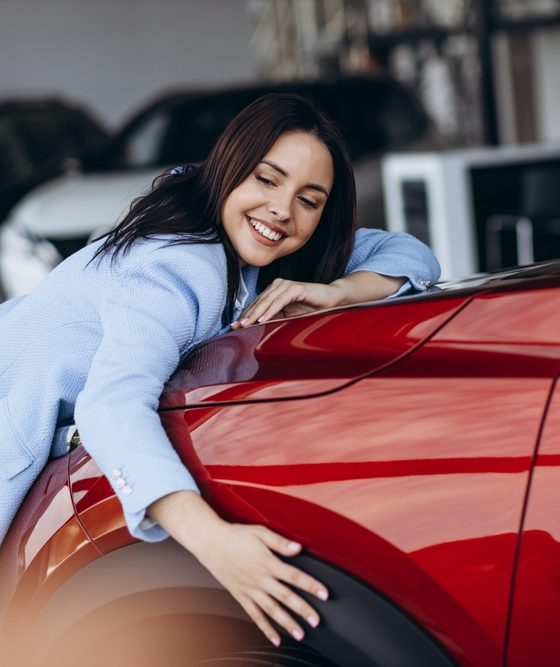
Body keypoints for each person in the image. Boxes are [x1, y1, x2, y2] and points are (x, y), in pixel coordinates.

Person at [0, 93, 440, 647]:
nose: (283, 209)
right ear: (232, 167)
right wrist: (214, 542)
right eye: (267, 179)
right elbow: (113, 405)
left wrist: (336, 292)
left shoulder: (254, 239)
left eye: (309, 199)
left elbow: (411, 254)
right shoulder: (180, 263)